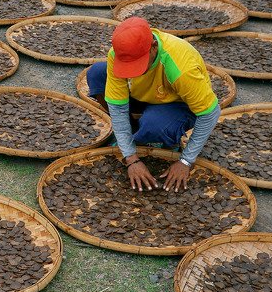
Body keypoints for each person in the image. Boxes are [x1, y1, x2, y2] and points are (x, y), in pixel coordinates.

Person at [87, 16, 221, 192]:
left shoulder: (181, 68)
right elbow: (118, 107)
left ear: (153, 47)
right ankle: (136, 132)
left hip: (176, 104)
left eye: (137, 64)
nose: (132, 72)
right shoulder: (118, 53)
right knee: (96, 73)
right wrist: (131, 158)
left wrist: (186, 161)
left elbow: (210, 113)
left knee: (154, 125)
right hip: (142, 95)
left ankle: (164, 136)